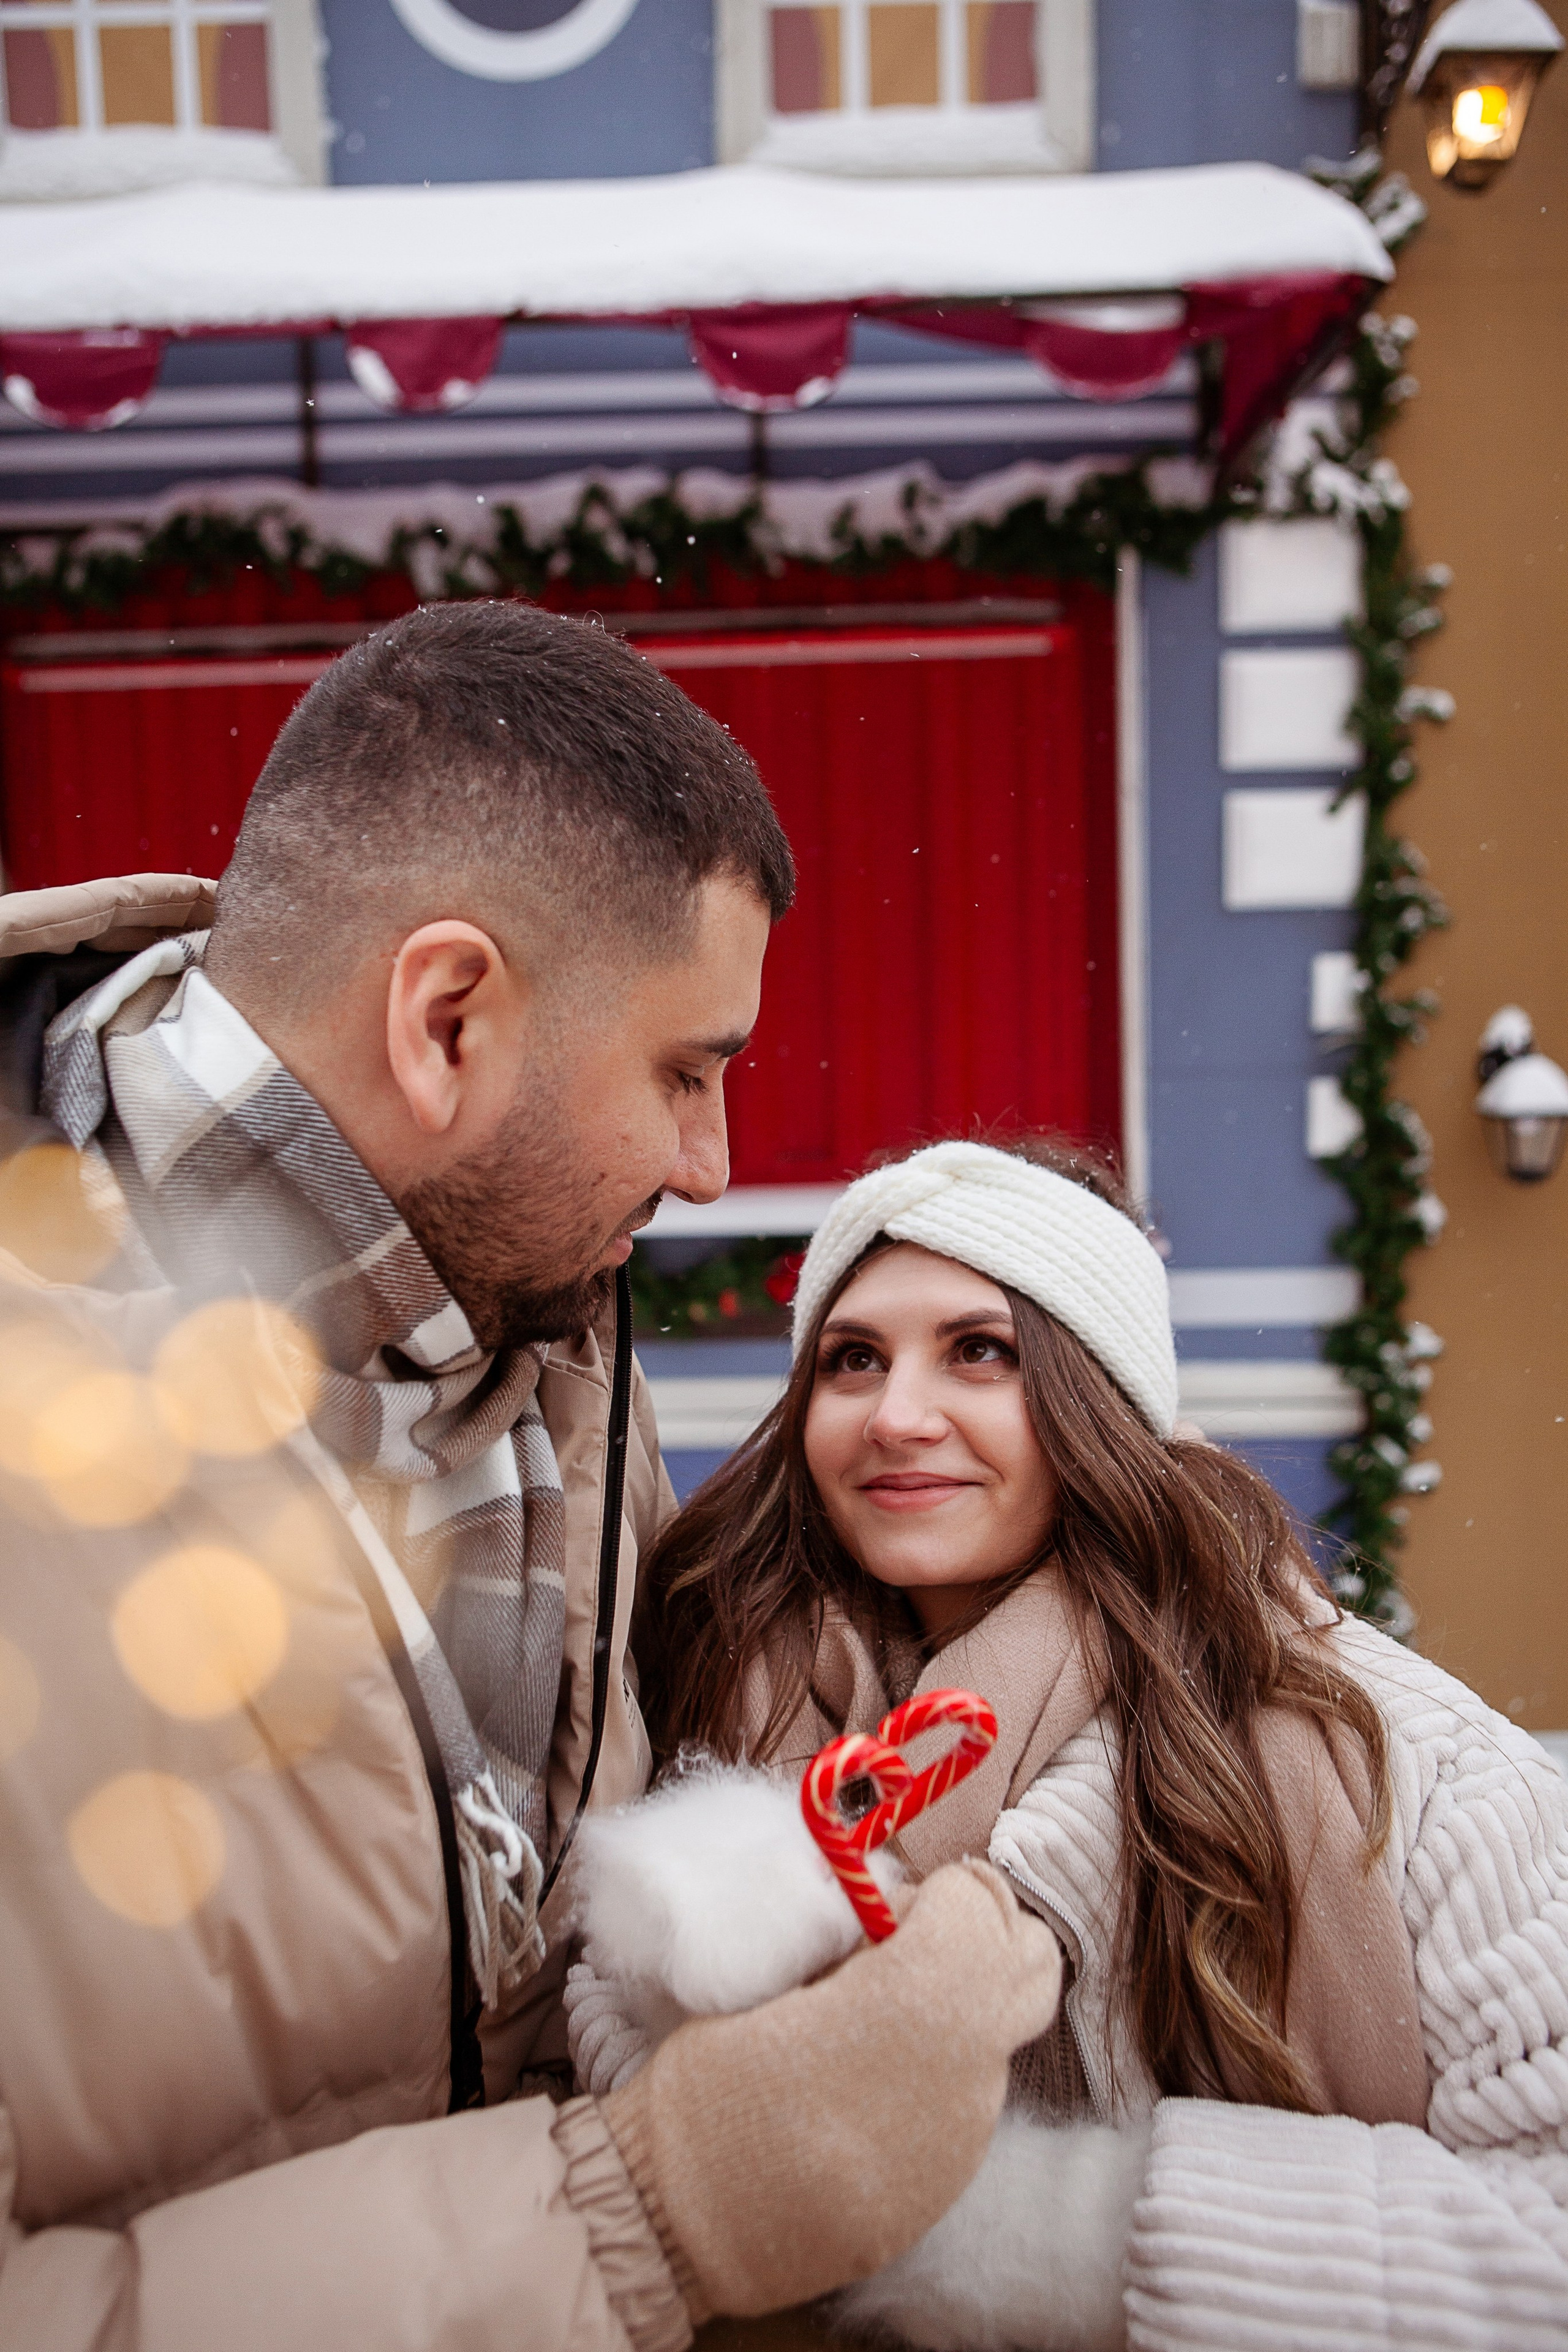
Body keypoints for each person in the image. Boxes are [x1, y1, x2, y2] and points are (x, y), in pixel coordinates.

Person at [0, 604, 1062, 2350]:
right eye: (685, 1072)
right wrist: (658, 2212)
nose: (716, 1168)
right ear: (447, 1020)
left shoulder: (537, 1306)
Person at [603, 1134, 1568, 2348]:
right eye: (851, 1359)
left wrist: (1027, 2228)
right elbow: (589, 2063)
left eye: (980, 1353)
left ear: (1096, 1401)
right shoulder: (721, 1697)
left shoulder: (1399, 1761)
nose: (897, 1416)